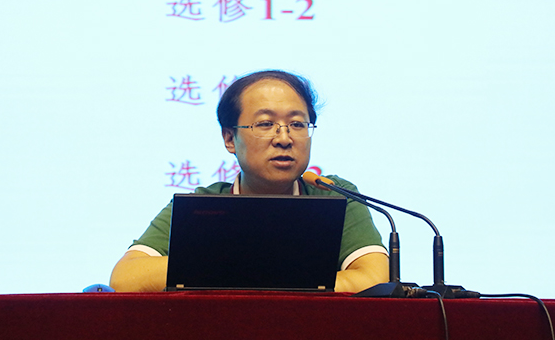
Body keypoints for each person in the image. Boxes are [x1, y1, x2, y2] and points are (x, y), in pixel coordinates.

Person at [110, 70, 389, 292]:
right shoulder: (204, 204)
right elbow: (125, 279)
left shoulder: (334, 195)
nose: (284, 138)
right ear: (229, 139)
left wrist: (229, 270)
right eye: (265, 124)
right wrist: (279, 271)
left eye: (297, 124)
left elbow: (375, 280)